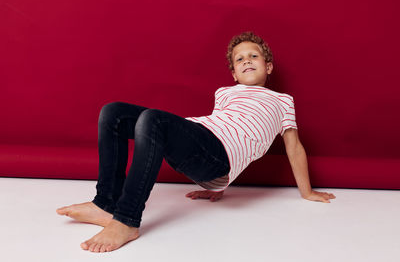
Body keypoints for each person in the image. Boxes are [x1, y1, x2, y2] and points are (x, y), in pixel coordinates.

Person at [56, 31, 336, 253]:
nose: (247, 60)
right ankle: (105, 203)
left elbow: (293, 146)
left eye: (254, 56)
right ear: (234, 75)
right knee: (113, 112)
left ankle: (127, 220)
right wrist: (216, 187)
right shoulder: (225, 93)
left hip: (217, 159)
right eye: (240, 59)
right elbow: (227, 129)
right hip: (203, 142)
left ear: (269, 66)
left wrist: (307, 192)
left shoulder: (282, 101)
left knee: (153, 119)